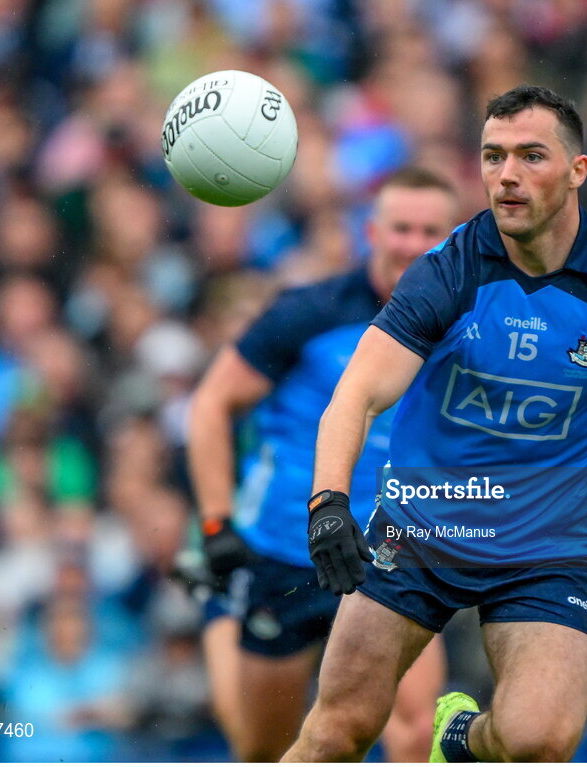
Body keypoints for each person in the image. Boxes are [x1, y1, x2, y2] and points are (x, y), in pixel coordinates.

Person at [283, 85, 587, 762]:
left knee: (538, 740)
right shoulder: (447, 272)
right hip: (420, 530)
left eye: (530, 155)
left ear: (578, 170)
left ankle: (458, 740)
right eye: (492, 156)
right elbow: (357, 392)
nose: (506, 174)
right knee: (338, 731)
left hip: (545, 552)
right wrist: (328, 501)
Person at [185, 167, 459, 761]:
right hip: (284, 550)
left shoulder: (467, 327)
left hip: (393, 555)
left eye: (430, 231)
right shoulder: (308, 312)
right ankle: (217, 607)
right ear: (372, 231)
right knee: (259, 746)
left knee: (414, 729)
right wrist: (214, 523)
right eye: (401, 227)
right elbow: (211, 404)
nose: (413, 243)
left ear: (451, 239)